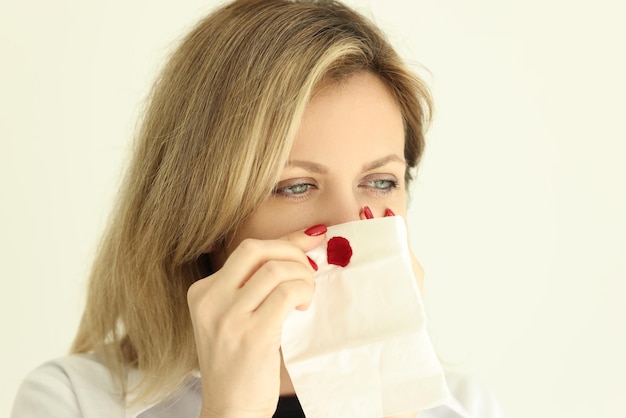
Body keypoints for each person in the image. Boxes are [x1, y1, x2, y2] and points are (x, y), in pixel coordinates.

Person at [12, 0, 502, 417]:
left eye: (379, 182)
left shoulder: (458, 405)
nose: (352, 224)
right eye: (295, 186)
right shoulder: (71, 400)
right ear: (202, 214)